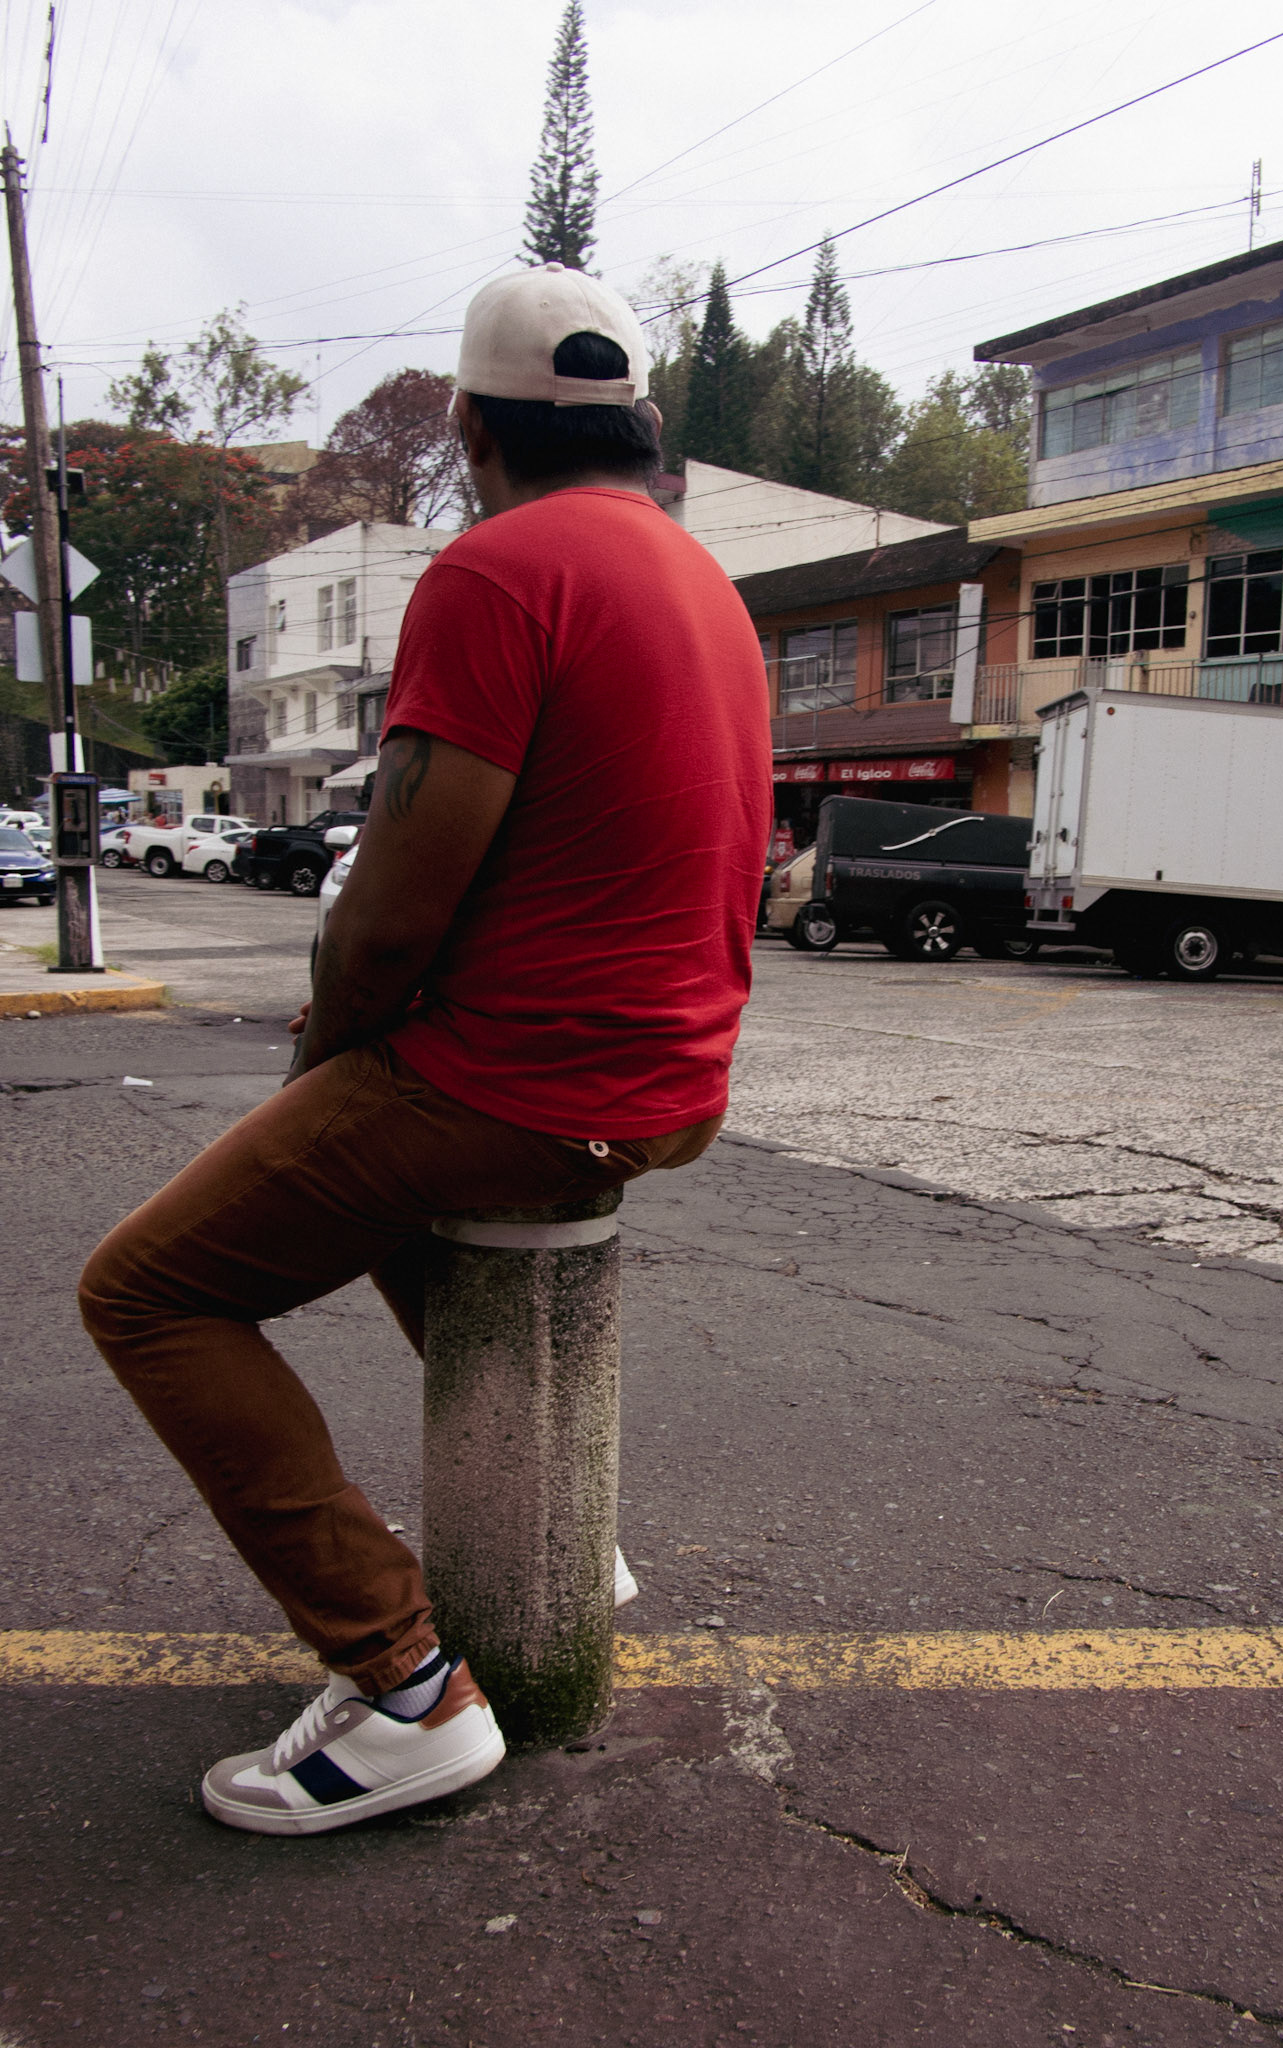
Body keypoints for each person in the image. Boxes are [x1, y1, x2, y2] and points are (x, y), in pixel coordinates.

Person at [79, 264, 772, 1836]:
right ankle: (552, 1527)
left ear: (469, 426)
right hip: (672, 1082)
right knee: (368, 1186)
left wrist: (321, 1063)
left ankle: (403, 1687)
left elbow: (389, 919)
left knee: (147, 1291)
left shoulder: (497, 573)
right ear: (644, 423)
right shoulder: (702, 584)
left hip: (524, 1084)